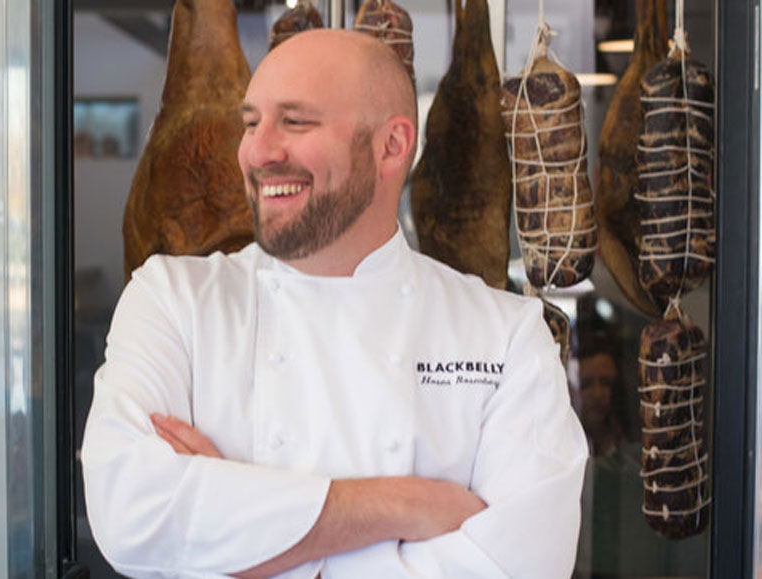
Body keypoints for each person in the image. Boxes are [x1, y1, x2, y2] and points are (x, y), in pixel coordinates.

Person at [82, 29, 588, 579]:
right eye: (251, 122)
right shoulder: (174, 301)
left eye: (295, 122)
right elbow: (129, 515)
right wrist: (406, 506)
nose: (258, 150)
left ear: (391, 146)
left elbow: (523, 564)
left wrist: (245, 547)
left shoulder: (505, 333)